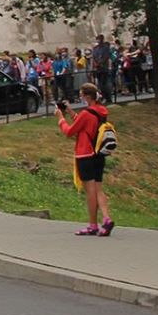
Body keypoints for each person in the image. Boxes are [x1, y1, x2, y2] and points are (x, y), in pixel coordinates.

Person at [57, 83, 114, 237]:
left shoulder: (86, 113)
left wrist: (61, 119)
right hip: (98, 154)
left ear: (88, 97)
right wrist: (70, 112)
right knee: (98, 188)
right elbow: (86, 125)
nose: (80, 97)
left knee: (90, 191)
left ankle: (93, 225)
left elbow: (70, 131)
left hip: (85, 154)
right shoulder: (101, 111)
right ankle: (106, 218)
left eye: (81, 95)